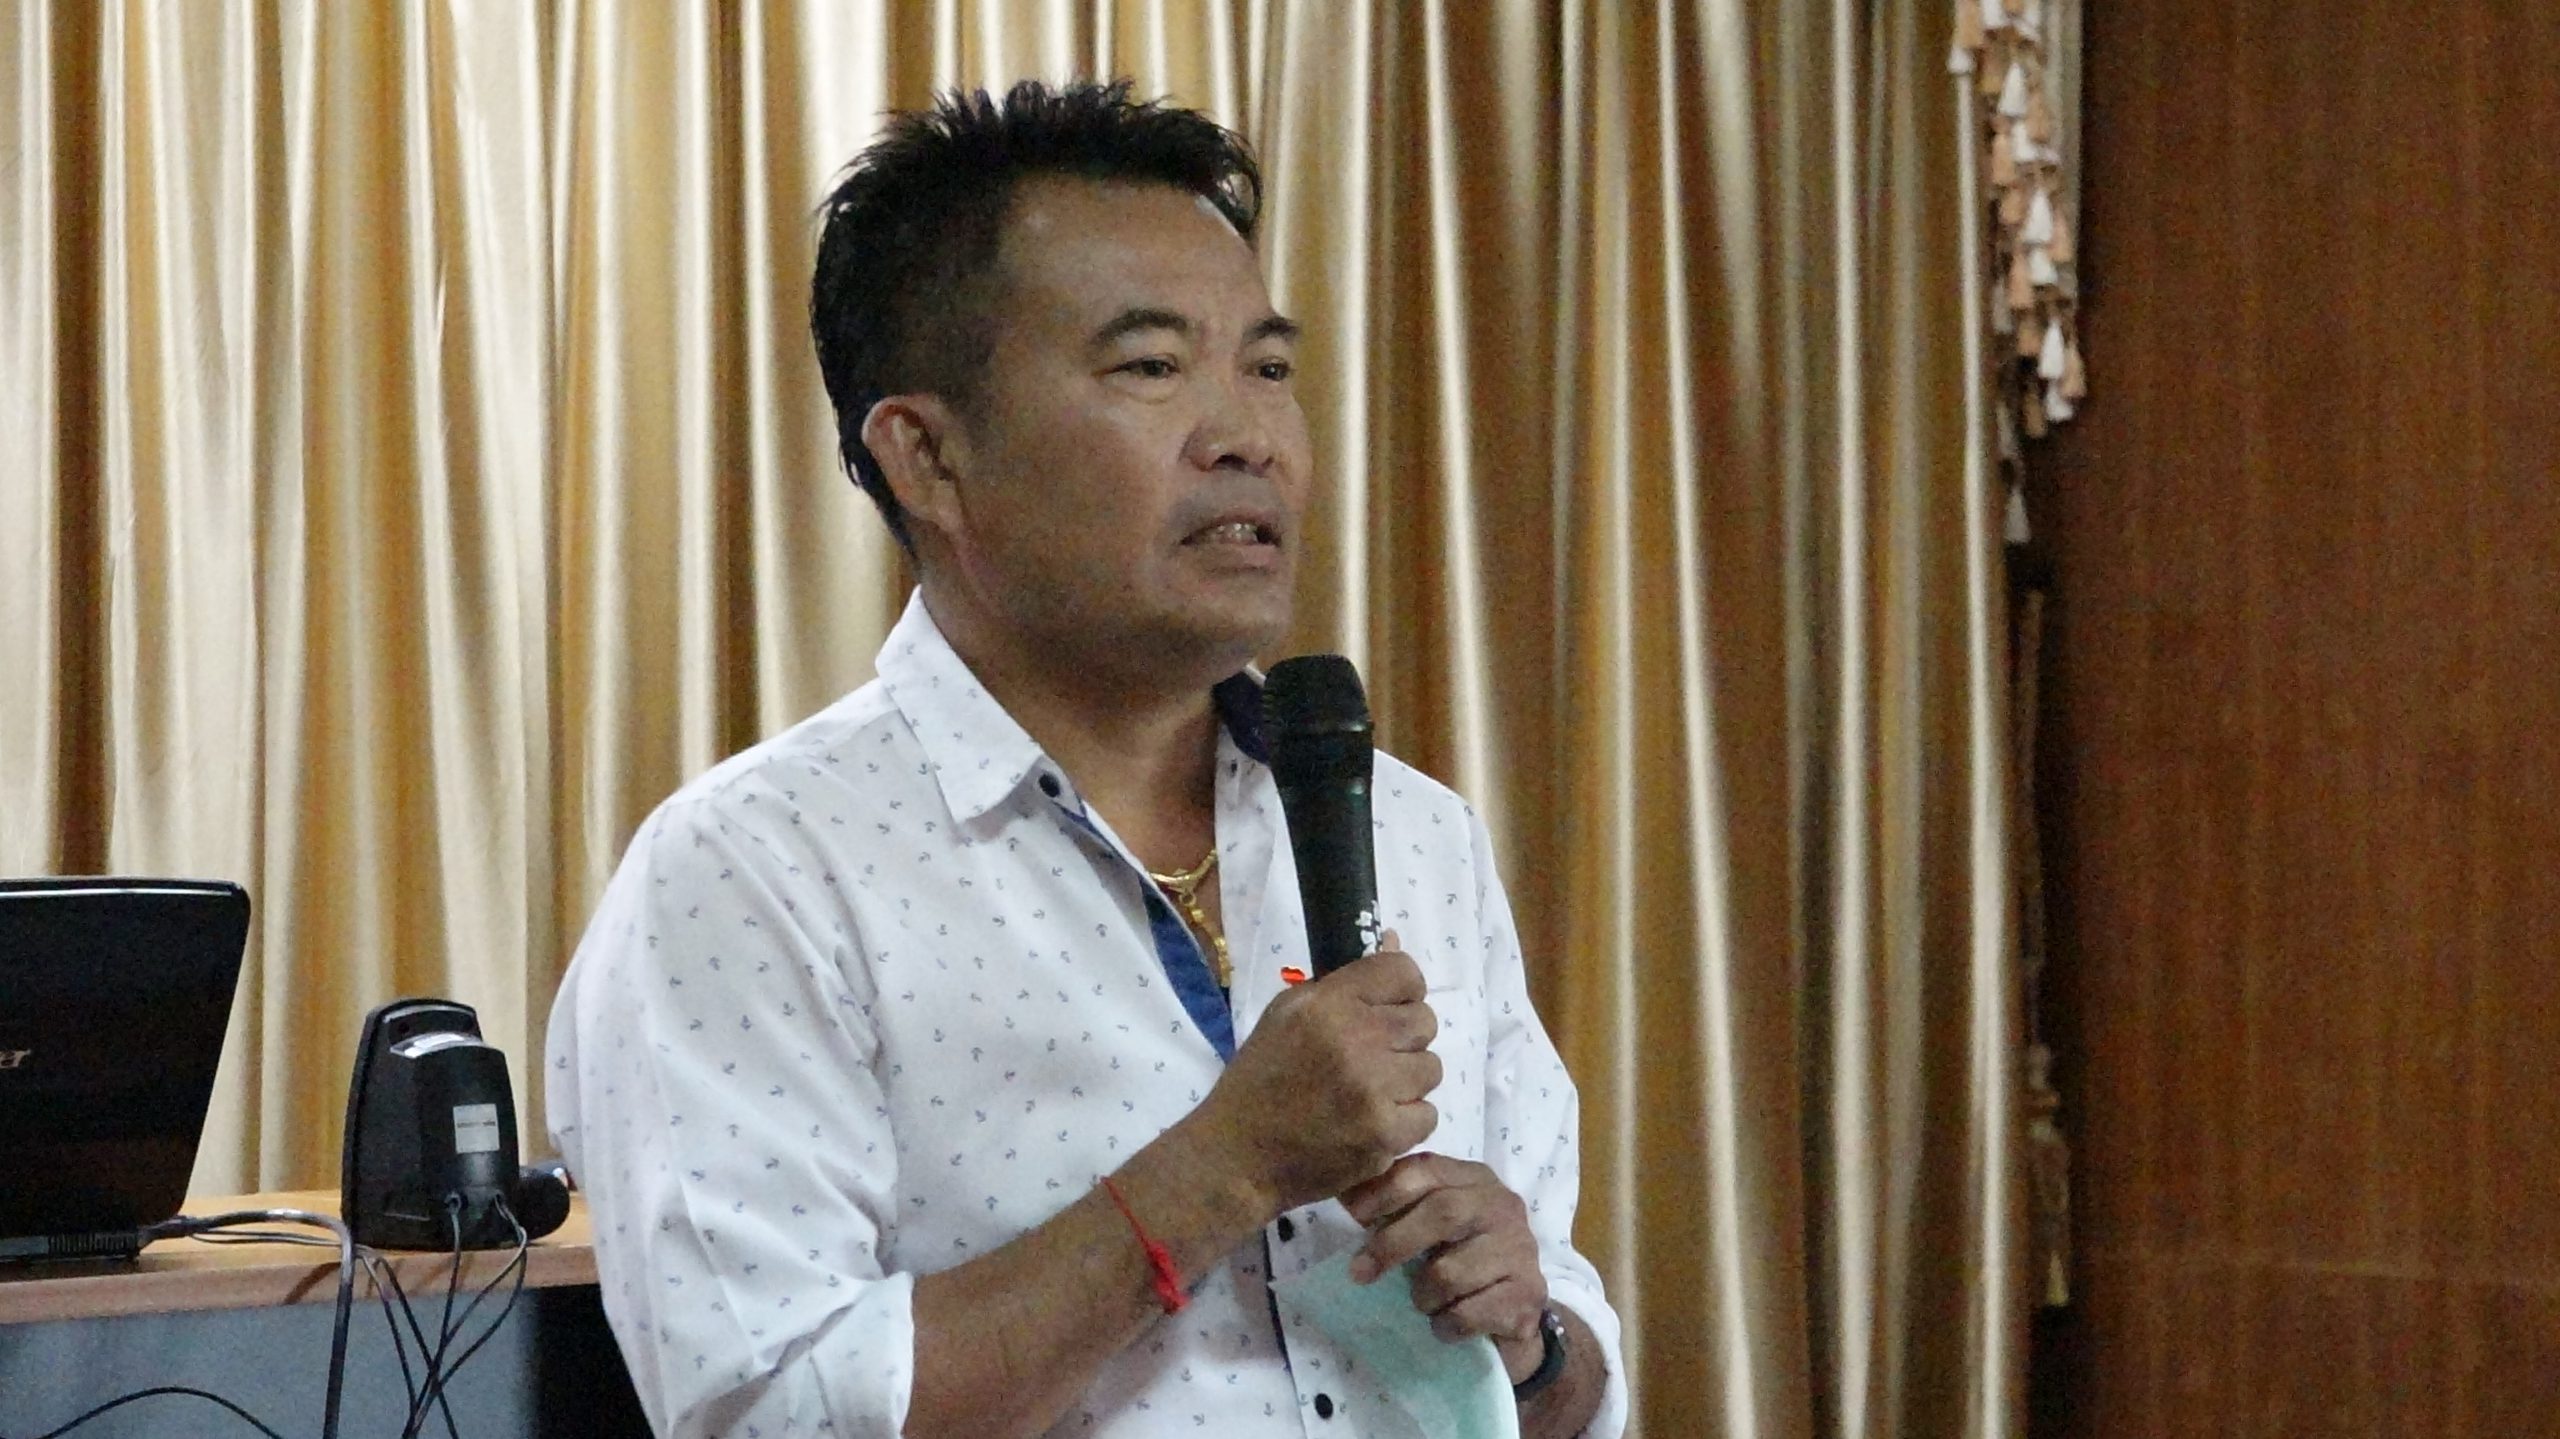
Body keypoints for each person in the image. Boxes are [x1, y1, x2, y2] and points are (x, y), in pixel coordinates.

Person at [545, 79, 1625, 1439]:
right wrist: (1221, 1172)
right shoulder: (752, 875)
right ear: (928, 457)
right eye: (1152, 367)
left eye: (1268, 368)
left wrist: (1532, 1345)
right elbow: (772, 1415)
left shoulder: (1412, 832)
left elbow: (1569, 1375)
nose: (1248, 437)